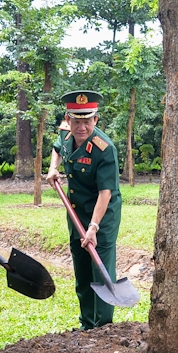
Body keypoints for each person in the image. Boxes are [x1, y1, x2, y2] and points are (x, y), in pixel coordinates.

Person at [44, 90, 121, 329]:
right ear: (68, 119)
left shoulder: (104, 149)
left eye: (87, 121)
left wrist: (94, 228)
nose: (82, 127)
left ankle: (104, 326)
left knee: (101, 269)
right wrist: (52, 169)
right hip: (76, 213)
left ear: (95, 120)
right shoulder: (66, 137)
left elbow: (105, 193)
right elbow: (57, 149)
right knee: (82, 267)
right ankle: (87, 323)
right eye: (77, 121)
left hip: (102, 215)